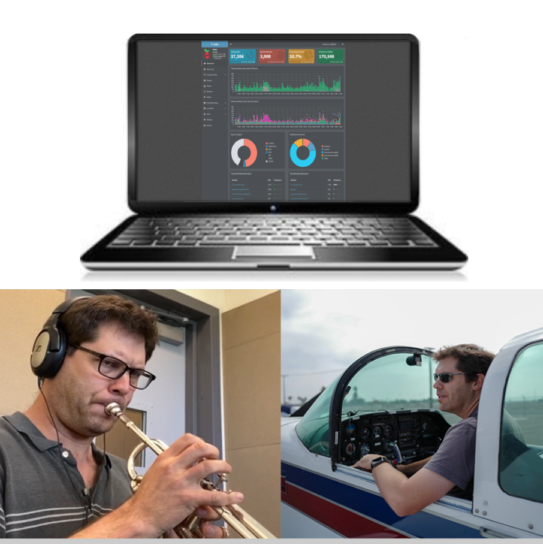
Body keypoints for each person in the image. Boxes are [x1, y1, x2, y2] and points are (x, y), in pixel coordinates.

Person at [0, 296, 243, 538]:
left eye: (135, 374)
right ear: (54, 357)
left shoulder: (127, 478)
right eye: (109, 363)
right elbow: (138, 516)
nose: (125, 387)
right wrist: (139, 516)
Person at [353, 344, 496, 517]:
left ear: (476, 382)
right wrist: (406, 470)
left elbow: (403, 502)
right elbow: (447, 458)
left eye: (445, 377)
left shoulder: (468, 430)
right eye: (436, 377)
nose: (436, 384)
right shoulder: (495, 419)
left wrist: (377, 461)